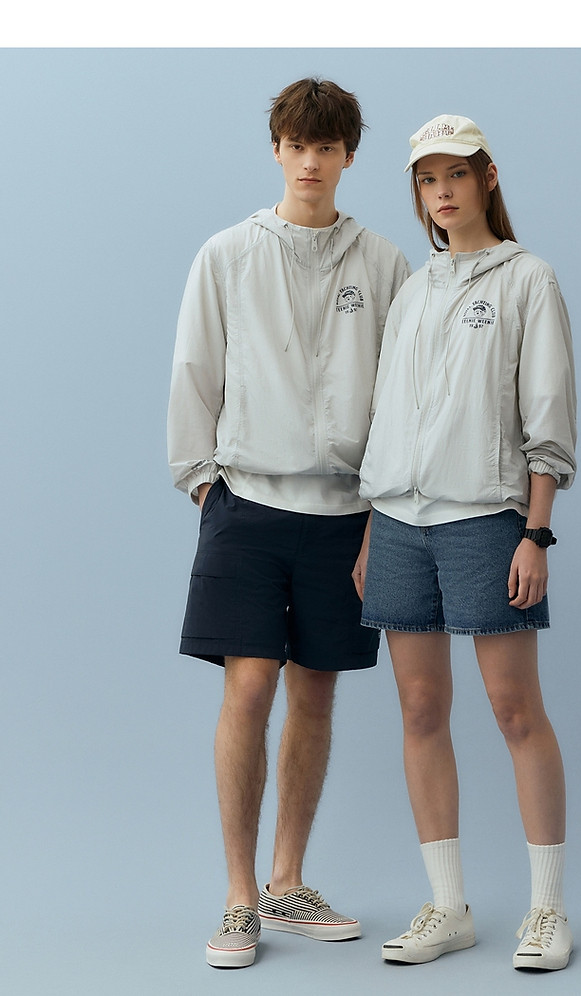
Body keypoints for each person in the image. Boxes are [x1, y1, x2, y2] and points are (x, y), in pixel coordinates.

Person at [167, 77, 410, 969]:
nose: (310, 161)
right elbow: (194, 372)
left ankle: (287, 881)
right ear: (276, 148)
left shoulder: (384, 264)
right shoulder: (227, 254)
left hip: (347, 513)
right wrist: (206, 488)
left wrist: (381, 514)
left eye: (327, 147)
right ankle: (239, 898)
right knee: (248, 687)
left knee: (316, 690)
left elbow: (401, 398)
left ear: (349, 155)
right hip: (245, 505)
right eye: (297, 145)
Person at [354, 114, 577, 971]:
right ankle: (448, 908)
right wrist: (372, 528)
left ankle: (547, 911)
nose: (441, 191)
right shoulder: (413, 290)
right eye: (426, 178)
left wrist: (536, 533)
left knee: (515, 709)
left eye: (456, 173)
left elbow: (546, 415)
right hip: (398, 523)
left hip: (486, 520)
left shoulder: (528, 279)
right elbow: (388, 415)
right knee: (420, 710)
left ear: (487, 177)